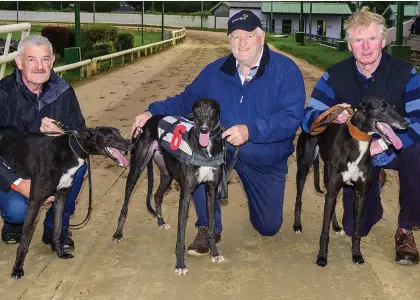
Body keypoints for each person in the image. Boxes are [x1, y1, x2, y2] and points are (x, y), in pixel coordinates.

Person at [131, 10, 306, 256]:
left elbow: (291, 118)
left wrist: (251, 130)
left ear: (261, 37)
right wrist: (152, 112)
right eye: (235, 36)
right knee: (197, 157)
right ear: (229, 41)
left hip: (265, 159)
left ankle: (257, 204)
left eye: (248, 35)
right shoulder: (216, 71)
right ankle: (208, 227)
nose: (242, 42)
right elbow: (186, 100)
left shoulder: (285, 71)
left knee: (268, 227)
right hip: (220, 151)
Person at [302, 7, 420, 265]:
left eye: (372, 39)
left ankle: (406, 230)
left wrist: (381, 145)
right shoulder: (334, 76)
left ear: (383, 41)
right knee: (356, 228)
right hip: (355, 158)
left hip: (391, 149)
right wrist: (330, 115)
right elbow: (308, 118)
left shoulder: (405, 73)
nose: (365, 47)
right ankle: (373, 186)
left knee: (417, 151)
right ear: (349, 44)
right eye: (358, 40)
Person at [0, 35, 88, 249]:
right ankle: (13, 223)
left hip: (49, 169)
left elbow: (83, 137)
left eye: (45, 59)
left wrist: (64, 134)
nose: (39, 67)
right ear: (19, 62)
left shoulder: (64, 91)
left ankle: (55, 228)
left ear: (52, 61)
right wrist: (17, 182)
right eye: (32, 60)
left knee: (78, 165)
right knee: (18, 211)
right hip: (10, 171)